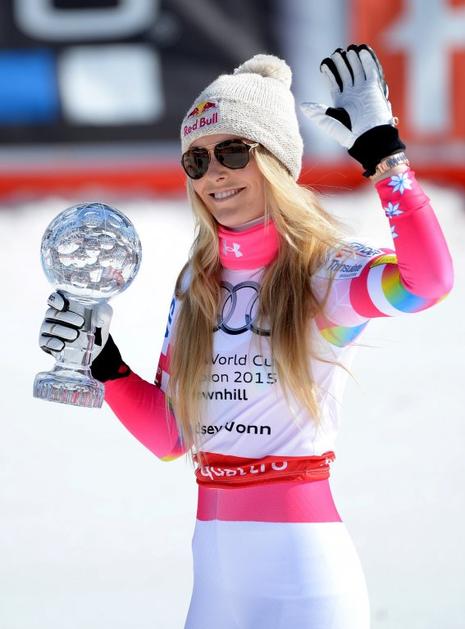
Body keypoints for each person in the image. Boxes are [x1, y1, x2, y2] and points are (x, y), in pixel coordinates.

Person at [39, 44, 454, 629]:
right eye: (196, 160)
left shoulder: (326, 273)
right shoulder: (197, 283)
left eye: (233, 152)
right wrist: (103, 364)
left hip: (305, 583)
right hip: (216, 584)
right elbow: (171, 436)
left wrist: (385, 157)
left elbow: (429, 283)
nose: (214, 174)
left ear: (275, 161)